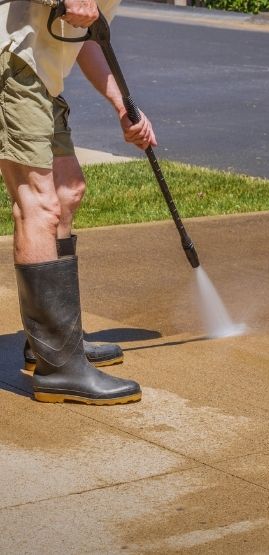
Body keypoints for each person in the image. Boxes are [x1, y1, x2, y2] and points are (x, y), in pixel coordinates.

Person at [1, 0, 155, 404]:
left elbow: (84, 36)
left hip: (40, 73)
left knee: (68, 191)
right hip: (12, 60)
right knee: (39, 203)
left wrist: (123, 105)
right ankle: (58, 370)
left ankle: (54, 341)